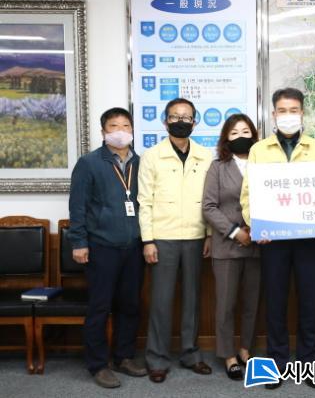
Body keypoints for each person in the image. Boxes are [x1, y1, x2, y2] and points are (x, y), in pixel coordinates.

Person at [240, 88, 315, 390]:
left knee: (310, 302)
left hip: (309, 238)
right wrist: (257, 225)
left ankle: (310, 364)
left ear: (302, 113)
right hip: (273, 239)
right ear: (273, 114)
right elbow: (248, 195)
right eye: (282, 110)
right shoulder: (259, 149)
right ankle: (276, 364)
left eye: (294, 110)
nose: (288, 115)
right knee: (275, 302)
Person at [68, 107, 147, 388]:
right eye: (114, 126)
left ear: (133, 130)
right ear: (103, 132)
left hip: (134, 246)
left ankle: (124, 356)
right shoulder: (89, 163)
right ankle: (98, 364)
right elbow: (77, 206)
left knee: (130, 305)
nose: (120, 131)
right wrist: (79, 242)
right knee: (100, 307)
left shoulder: (141, 163)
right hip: (101, 246)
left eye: (126, 126)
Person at [138, 97, 213, 383]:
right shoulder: (152, 156)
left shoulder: (205, 155)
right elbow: (144, 201)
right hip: (163, 238)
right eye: (174, 116)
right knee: (161, 300)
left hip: (195, 236)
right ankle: (157, 358)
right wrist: (148, 240)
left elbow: (210, 199)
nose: (180, 121)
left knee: (192, 300)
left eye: (186, 117)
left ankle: (191, 354)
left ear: (194, 122)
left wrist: (209, 235)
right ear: (165, 121)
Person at [202, 114, 260, 381]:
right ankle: (228, 355)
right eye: (234, 133)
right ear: (226, 138)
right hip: (227, 245)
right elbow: (209, 207)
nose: (240, 137)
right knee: (226, 304)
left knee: (252, 302)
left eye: (245, 131)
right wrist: (236, 232)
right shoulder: (218, 167)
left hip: (259, 244)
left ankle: (246, 349)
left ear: (254, 135)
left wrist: (258, 230)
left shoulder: (263, 164)